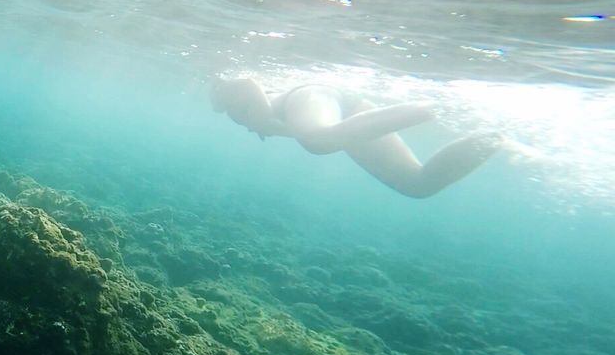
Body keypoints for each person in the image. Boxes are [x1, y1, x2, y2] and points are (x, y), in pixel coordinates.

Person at [210, 77, 501, 198]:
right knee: (417, 184)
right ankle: (492, 138)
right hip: (347, 112)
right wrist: (266, 125)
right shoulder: (248, 112)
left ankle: (437, 106)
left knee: (318, 139)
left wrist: (260, 119)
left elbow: (248, 82)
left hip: (312, 96)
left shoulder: (237, 94)